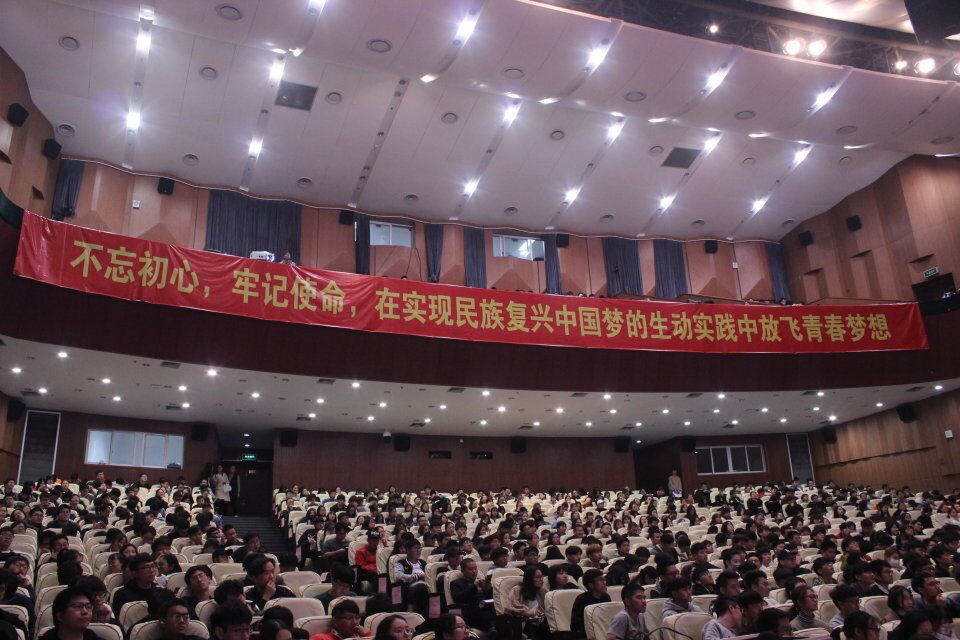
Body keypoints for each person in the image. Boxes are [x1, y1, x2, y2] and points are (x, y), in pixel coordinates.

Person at [449, 558, 494, 634]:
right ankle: (492, 629)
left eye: (475, 569)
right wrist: (474, 586)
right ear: (463, 571)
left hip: (487, 607)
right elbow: (458, 599)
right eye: (470, 569)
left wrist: (489, 589)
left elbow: (491, 598)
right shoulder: (456, 583)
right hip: (471, 611)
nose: (474, 571)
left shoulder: (481, 582)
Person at [505, 566, 549, 640]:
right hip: (523, 622)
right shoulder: (517, 589)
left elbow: (549, 607)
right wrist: (528, 612)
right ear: (529, 578)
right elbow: (509, 608)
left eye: (542, 576)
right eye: (537, 577)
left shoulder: (542, 590)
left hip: (540, 621)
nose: (541, 579)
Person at [393, 540, 428, 617]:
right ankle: (422, 615)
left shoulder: (423, 563)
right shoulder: (401, 563)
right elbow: (398, 576)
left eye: (419, 548)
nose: (418, 550)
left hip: (426, 585)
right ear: (408, 550)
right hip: (409, 587)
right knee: (421, 587)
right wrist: (417, 576)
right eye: (416, 548)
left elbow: (429, 575)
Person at [572, 569, 611, 635]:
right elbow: (576, 625)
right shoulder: (581, 600)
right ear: (591, 585)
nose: (604, 582)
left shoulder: (606, 597)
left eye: (604, 579)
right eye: (600, 580)